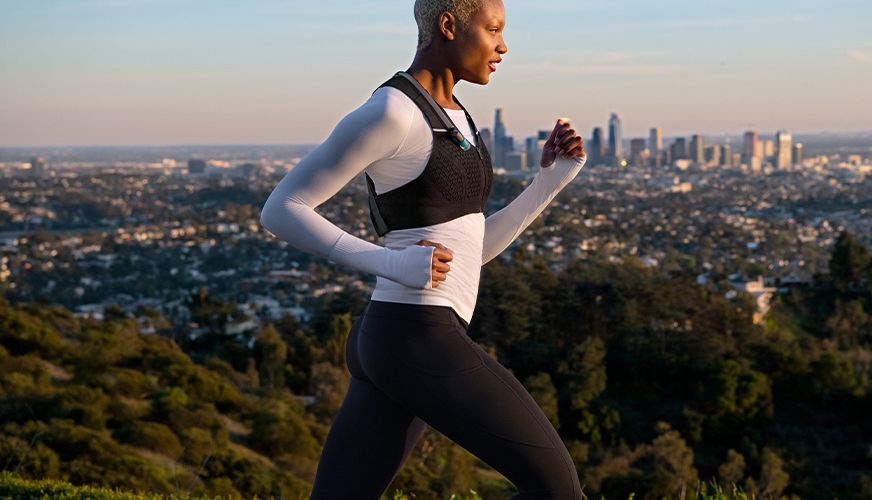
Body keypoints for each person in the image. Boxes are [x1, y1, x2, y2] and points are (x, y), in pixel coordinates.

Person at [259, 0, 587, 497]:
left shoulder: (458, 118)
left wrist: (550, 183)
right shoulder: (391, 112)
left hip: (397, 339)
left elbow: (469, 251)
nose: (503, 46)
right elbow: (282, 209)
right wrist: (390, 261)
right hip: (415, 334)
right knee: (557, 488)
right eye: (493, 30)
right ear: (449, 26)